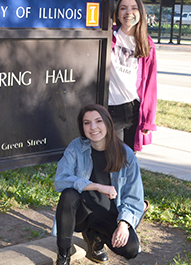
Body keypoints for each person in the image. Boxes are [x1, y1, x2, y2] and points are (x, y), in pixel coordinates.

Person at [54, 104, 146, 265]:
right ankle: (63, 256)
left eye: (98, 121)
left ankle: (96, 237)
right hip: (82, 213)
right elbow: (60, 180)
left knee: (130, 250)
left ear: (108, 124)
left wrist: (124, 224)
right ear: (82, 127)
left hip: (109, 213)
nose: (93, 127)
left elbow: (134, 196)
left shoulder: (126, 155)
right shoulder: (76, 147)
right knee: (69, 194)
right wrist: (97, 186)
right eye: (87, 123)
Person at [108, 0, 157, 152]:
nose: (128, 12)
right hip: (109, 108)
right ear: (117, 13)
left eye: (134, 8)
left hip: (132, 111)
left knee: (128, 162)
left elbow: (150, 84)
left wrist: (147, 120)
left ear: (140, 13)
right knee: (111, 159)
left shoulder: (146, 44)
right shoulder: (108, 36)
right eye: (123, 8)